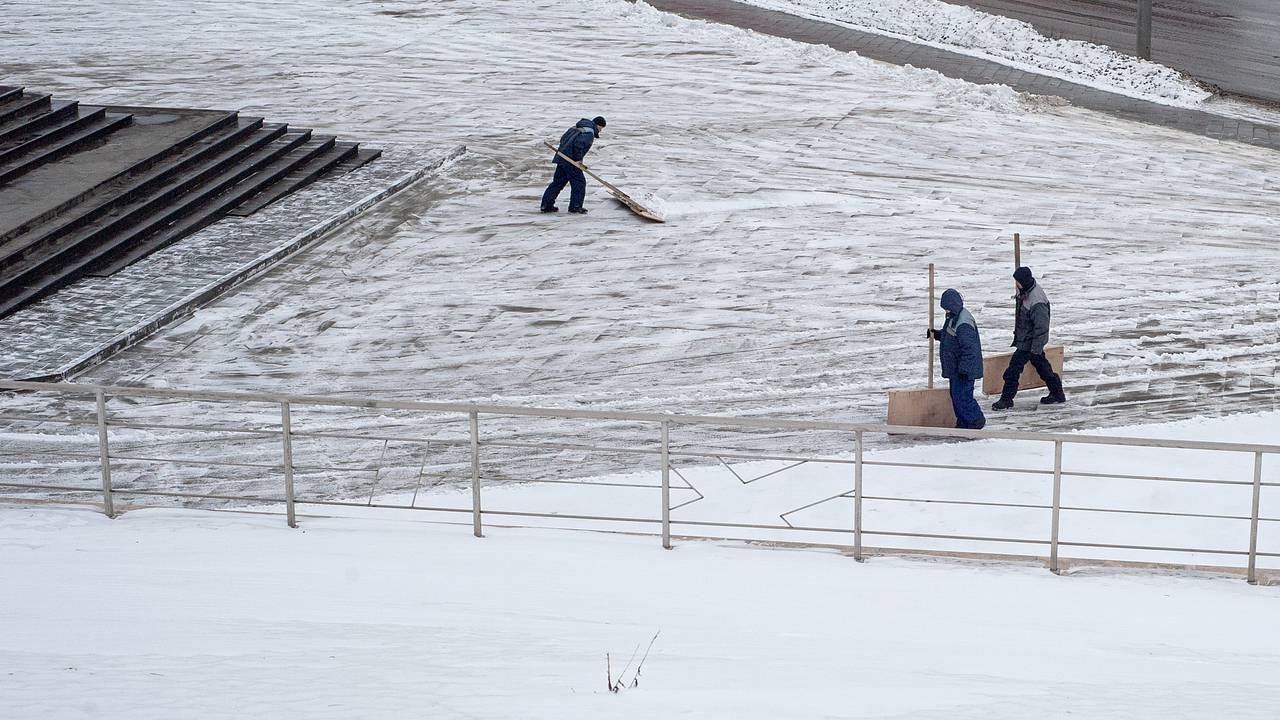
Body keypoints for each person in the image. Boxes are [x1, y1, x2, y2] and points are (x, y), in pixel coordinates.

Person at [991, 266, 1066, 410]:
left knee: (1012, 370)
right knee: (1043, 367)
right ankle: (1057, 393)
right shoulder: (1026, 290)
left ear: (1023, 282)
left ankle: (1006, 399)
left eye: (1017, 282)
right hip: (1028, 340)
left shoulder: (1037, 300)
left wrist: (1035, 348)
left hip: (1030, 342)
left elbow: (1042, 327)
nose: (1016, 285)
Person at [927, 289, 986, 430]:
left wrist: (965, 369)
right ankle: (963, 422)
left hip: (964, 369)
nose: (945, 311)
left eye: (946, 308)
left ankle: (976, 420)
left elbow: (970, 349)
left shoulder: (963, 322)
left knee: (963, 397)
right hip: (956, 367)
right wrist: (937, 335)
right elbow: (951, 339)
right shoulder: (953, 317)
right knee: (956, 396)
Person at [540, 116, 606, 214]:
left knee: (557, 183)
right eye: (601, 128)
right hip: (571, 161)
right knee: (579, 183)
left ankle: (546, 205)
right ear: (598, 125)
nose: (600, 131)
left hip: (562, 158)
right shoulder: (589, 132)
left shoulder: (577, 127)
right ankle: (575, 207)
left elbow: (563, 139)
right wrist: (578, 159)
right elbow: (578, 145)